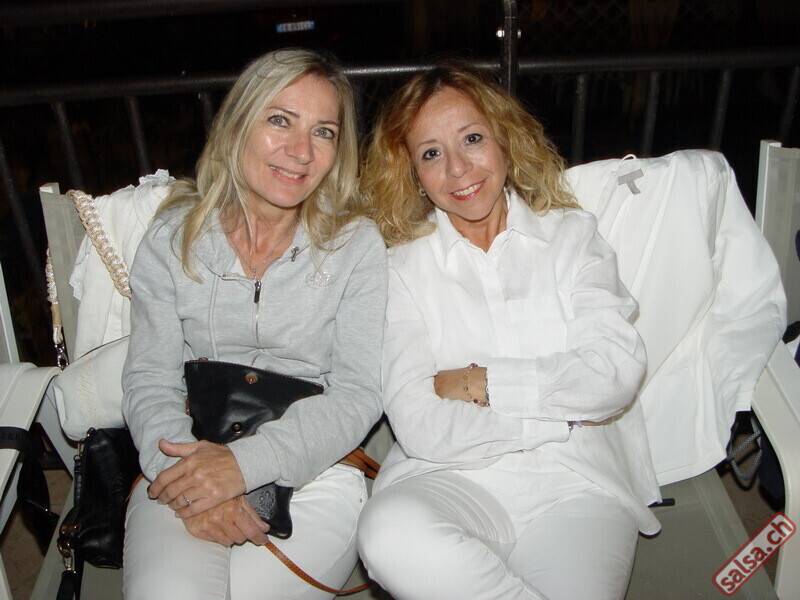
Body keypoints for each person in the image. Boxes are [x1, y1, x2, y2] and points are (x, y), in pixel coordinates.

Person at [356, 62, 661, 600]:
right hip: (447, 478)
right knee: (388, 534)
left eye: (472, 139)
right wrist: (555, 420)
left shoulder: (571, 237)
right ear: (412, 173)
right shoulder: (400, 269)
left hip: (577, 482)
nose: (457, 169)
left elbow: (614, 374)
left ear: (504, 139)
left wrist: (481, 381)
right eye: (431, 153)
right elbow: (420, 424)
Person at [121, 48, 388, 600]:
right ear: (238, 124)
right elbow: (149, 377)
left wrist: (242, 466)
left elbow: (359, 392)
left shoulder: (354, 245)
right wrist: (188, 480)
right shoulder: (174, 237)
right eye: (280, 120)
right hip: (185, 455)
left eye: (324, 132)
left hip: (314, 467)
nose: (301, 152)